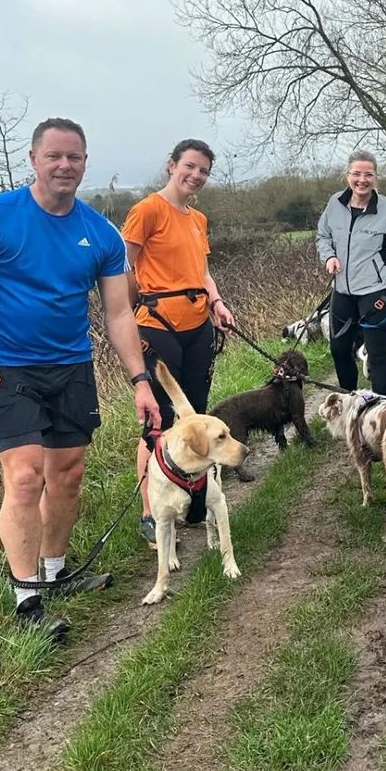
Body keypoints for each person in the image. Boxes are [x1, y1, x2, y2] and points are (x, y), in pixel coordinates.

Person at [0, 118, 161, 641]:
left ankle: (53, 571)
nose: (65, 166)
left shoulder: (100, 232)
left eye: (75, 157)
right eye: (54, 156)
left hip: (71, 365)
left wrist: (140, 380)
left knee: (67, 473)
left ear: (85, 162)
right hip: (6, 367)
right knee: (24, 476)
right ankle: (26, 601)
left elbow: (117, 314)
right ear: (34, 159)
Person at [122, 138, 235, 544]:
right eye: (190, 166)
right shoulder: (148, 210)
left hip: (198, 325)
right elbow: (123, 266)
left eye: (203, 170)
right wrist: (134, 312)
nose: (196, 175)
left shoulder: (198, 219)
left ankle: (194, 497)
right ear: (171, 165)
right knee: (158, 424)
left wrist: (217, 302)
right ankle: (152, 509)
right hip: (157, 326)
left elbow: (201, 271)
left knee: (196, 419)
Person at [316, 151, 386, 397]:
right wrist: (329, 257)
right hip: (342, 292)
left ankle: (382, 413)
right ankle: (350, 402)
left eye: (368, 174)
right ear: (347, 175)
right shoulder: (335, 204)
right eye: (356, 173)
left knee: (377, 356)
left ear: (376, 177)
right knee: (339, 349)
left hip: (376, 293)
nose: (362, 180)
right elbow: (323, 235)